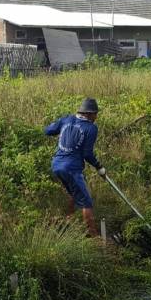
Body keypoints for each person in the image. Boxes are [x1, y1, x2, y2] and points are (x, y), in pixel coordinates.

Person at [45, 98, 107, 237]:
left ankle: (69, 219)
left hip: (56, 164)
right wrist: (99, 167)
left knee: (73, 191)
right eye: (95, 114)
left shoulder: (66, 119)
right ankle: (94, 237)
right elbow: (87, 154)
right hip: (71, 168)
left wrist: (61, 126)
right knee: (86, 202)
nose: (96, 117)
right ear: (89, 114)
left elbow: (48, 131)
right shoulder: (91, 128)